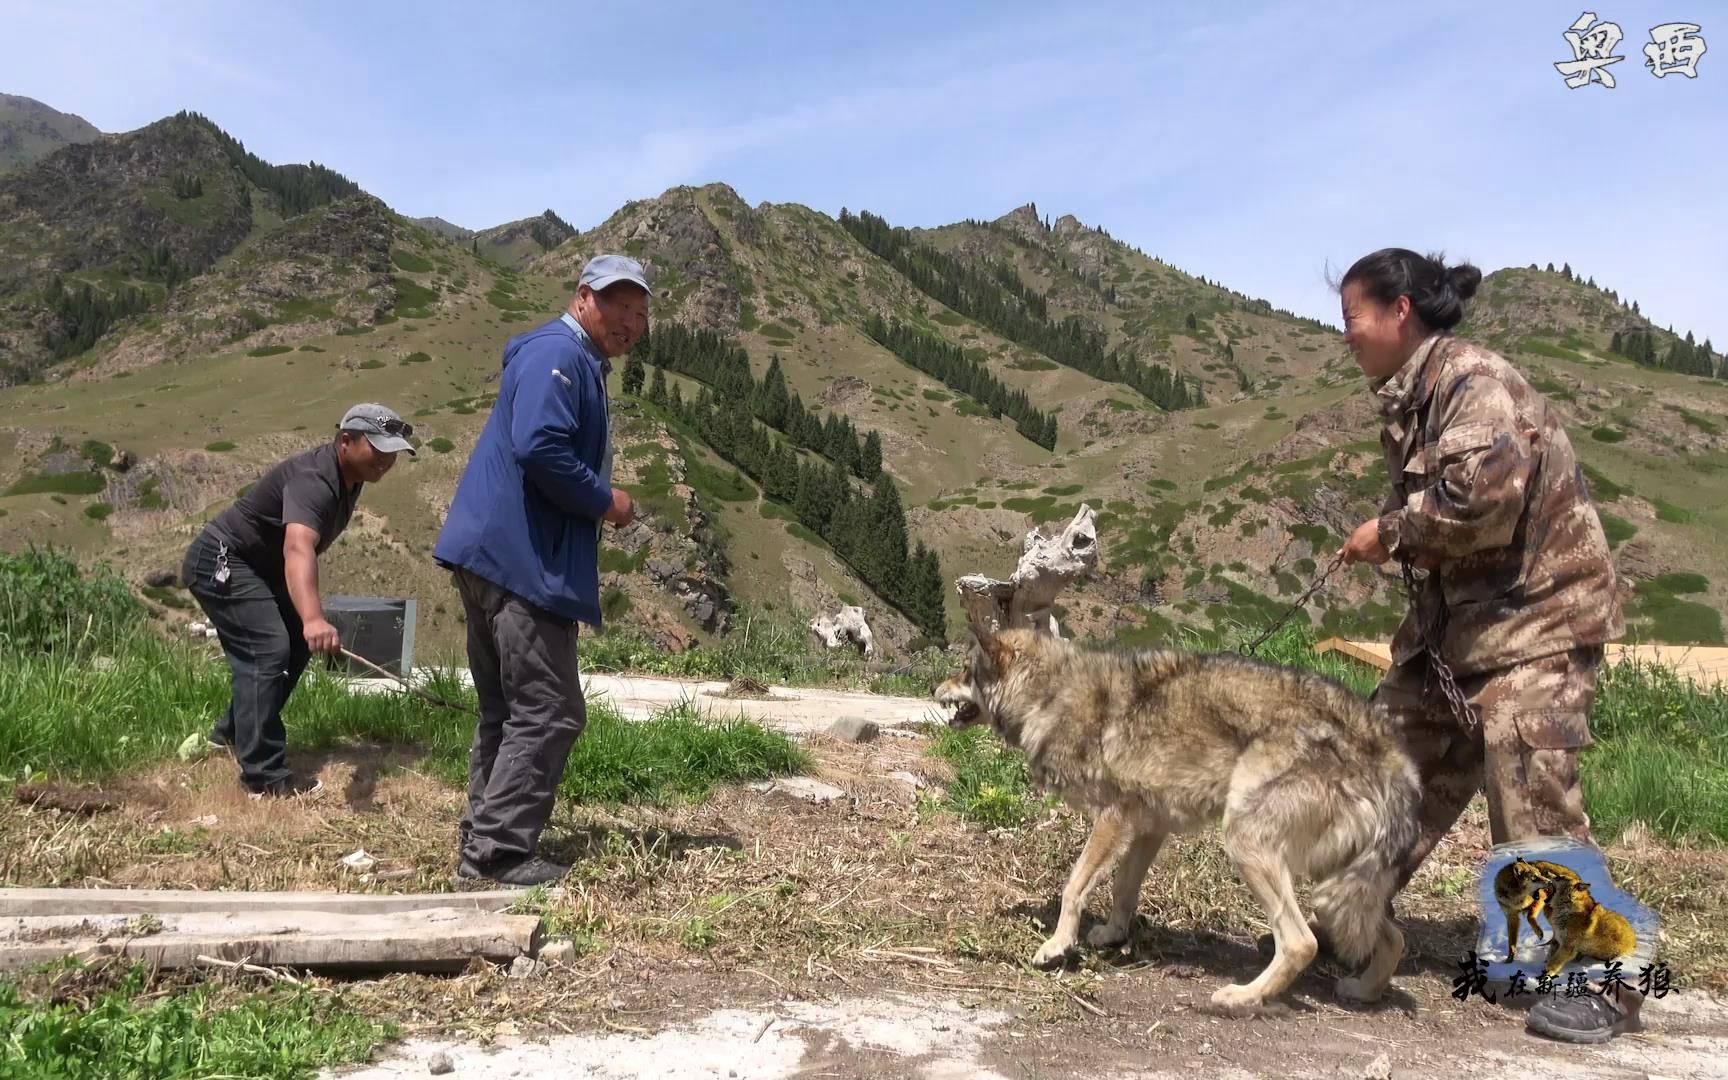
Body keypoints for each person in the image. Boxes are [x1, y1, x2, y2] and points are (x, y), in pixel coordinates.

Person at [1332, 248, 1634, 1045]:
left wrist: (1384, 533)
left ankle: (1601, 978)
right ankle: (1350, 921)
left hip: (1537, 621)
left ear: (1400, 310)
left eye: (1352, 318)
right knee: (1377, 763)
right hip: (1454, 633)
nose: (1347, 337)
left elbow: (1480, 504)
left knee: (1527, 784)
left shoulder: (1475, 382)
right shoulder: (1414, 399)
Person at [432, 254, 649, 887]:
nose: (630, 323)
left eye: (640, 313)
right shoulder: (559, 354)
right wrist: (606, 501)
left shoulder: (568, 357)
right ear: (585, 298)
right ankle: (498, 854)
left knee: (506, 709)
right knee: (551, 710)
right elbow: (540, 446)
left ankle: (482, 837)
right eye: (619, 306)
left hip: (492, 558)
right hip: (521, 564)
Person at [182, 404, 415, 798]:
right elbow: (297, 547)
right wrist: (312, 618)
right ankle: (263, 776)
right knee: (268, 650)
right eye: (378, 449)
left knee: (292, 647)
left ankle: (232, 737)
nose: (386, 461)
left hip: (258, 569)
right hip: (222, 561)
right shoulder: (315, 481)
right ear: (346, 441)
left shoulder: (351, 477)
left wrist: (305, 624)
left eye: (392, 452)